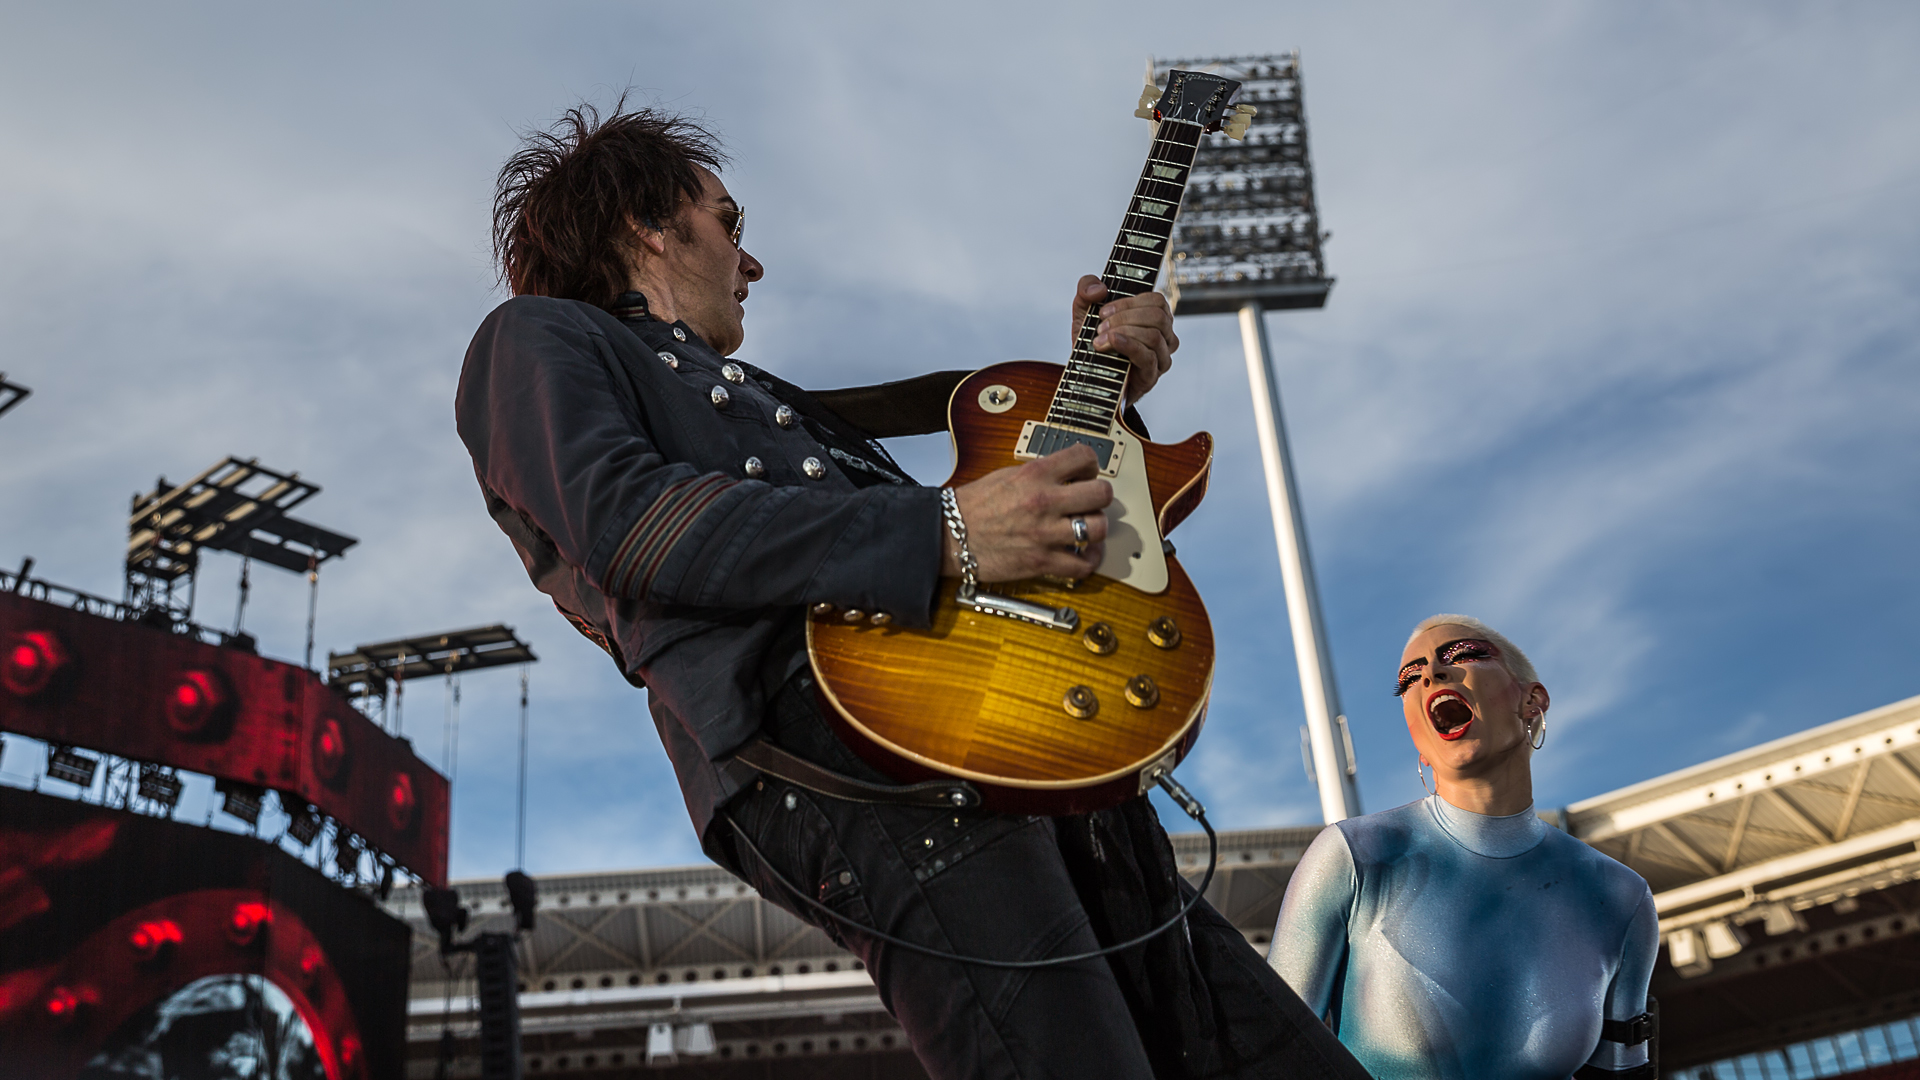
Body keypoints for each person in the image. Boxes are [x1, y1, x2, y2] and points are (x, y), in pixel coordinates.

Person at [456, 103, 1371, 1080]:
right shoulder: (532, 337)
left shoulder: (770, 401)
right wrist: (947, 529)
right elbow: (632, 524)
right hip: (847, 758)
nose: (750, 262)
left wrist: (1091, 391)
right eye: (729, 222)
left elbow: (984, 526)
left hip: (1006, 732)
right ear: (647, 223)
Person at [1268, 615, 1659, 1079]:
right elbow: (1266, 1057)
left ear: (1532, 701)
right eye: (1409, 679)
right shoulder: (1354, 856)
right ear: (1416, 733)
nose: (1432, 674)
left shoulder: (1621, 898)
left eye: (1465, 655)